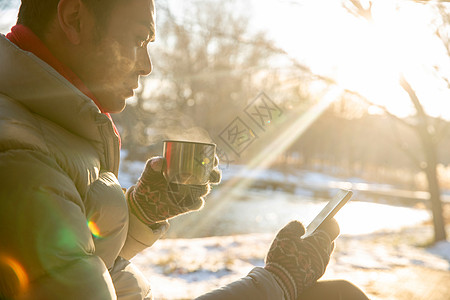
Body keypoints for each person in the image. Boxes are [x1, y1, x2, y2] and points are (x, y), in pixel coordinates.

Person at [0, 0, 370, 299]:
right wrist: (278, 283)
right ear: (74, 17)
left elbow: (80, 258)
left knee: (340, 294)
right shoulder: (22, 158)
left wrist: (143, 212)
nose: (146, 66)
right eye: (138, 39)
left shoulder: (48, 127)